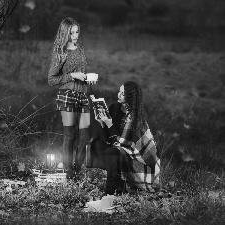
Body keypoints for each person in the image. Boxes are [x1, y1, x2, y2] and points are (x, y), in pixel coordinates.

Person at [48, 17, 96, 179]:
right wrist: (72, 75)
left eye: (77, 32)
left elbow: (81, 74)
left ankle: (76, 169)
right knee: (69, 135)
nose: (75, 35)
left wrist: (87, 78)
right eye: (72, 33)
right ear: (65, 33)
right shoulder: (60, 52)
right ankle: (69, 174)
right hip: (67, 96)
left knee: (84, 135)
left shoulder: (80, 49)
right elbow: (52, 80)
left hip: (82, 96)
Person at [93, 81, 160, 195]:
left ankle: (111, 190)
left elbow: (123, 143)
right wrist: (102, 123)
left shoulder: (134, 116)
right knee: (98, 145)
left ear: (130, 97)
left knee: (112, 152)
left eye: (122, 93)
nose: (118, 95)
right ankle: (117, 182)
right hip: (124, 149)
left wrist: (110, 124)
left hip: (140, 158)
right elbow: (111, 138)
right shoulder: (117, 109)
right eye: (119, 91)